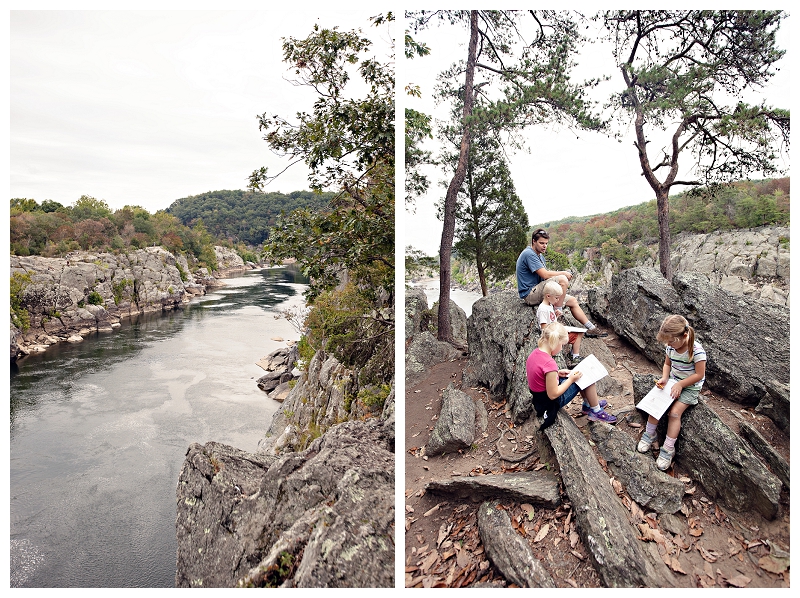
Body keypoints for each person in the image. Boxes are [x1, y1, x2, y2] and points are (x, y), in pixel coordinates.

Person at [637, 315, 707, 471]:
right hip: (673, 381)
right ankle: (650, 435)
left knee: (674, 413)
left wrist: (682, 384)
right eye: (666, 341)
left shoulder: (696, 351)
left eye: (671, 341)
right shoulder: (671, 346)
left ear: (684, 336)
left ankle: (668, 449)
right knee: (657, 404)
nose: (668, 344)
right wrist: (665, 377)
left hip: (690, 386)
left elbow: (699, 375)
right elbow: (667, 363)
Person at [516, 228, 606, 337]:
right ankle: (557, 312)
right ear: (534, 241)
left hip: (541, 291)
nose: (544, 246)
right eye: (541, 243)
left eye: (546, 243)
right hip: (530, 294)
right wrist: (562, 273)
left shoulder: (540, 256)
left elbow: (545, 279)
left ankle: (591, 328)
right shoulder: (529, 254)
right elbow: (545, 275)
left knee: (572, 301)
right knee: (562, 279)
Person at [526, 322, 616, 430]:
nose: (561, 348)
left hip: (539, 398)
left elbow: (541, 375)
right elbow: (553, 394)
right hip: (550, 402)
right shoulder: (549, 363)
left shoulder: (534, 353)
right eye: (562, 345)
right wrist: (571, 380)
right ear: (555, 343)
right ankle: (596, 410)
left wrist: (557, 373)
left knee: (578, 373)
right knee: (585, 375)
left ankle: (589, 404)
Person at [538, 279, 586, 366]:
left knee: (581, 332)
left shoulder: (549, 305)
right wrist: (559, 330)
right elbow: (544, 328)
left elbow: (550, 320)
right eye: (556, 298)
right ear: (548, 296)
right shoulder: (543, 309)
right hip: (553, 337)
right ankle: (575, 357)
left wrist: (555, 316)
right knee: (578, 335)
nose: (558, 300)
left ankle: (573, 355)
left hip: (555, 332)